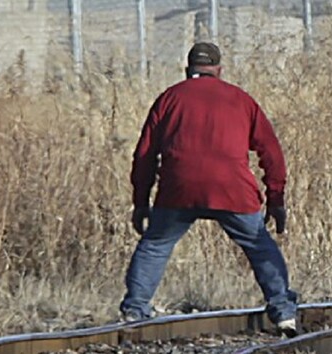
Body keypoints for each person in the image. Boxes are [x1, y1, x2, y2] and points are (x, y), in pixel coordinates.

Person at [120, 42, 299, 337]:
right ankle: (284, 313)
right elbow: (272, 153)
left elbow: (144, 155)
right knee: (258, 245)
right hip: (232, 190)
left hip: (179, 189)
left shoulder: (169, 98)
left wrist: (141, 202)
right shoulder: (240, 100)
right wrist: (276, 200)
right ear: (218, 70)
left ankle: (134, 311)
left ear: (187, 69)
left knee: (154, 246)